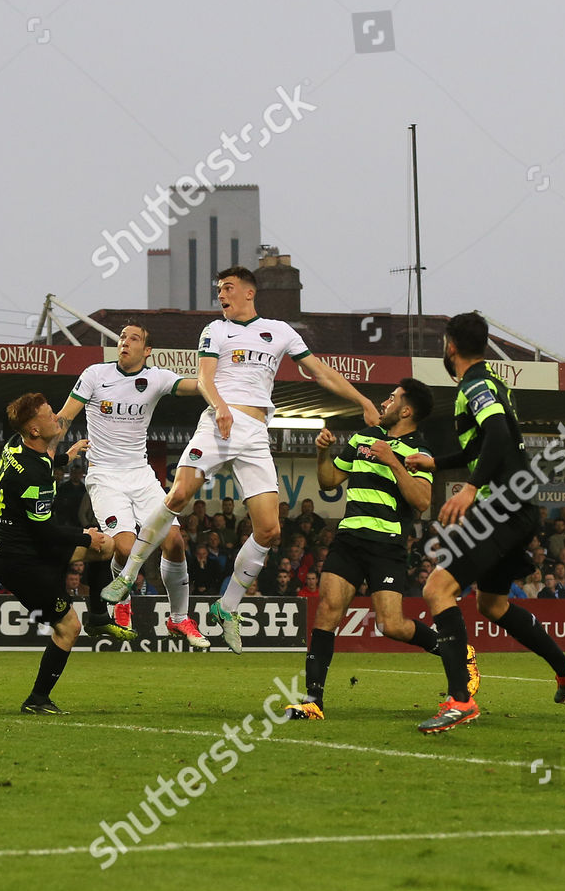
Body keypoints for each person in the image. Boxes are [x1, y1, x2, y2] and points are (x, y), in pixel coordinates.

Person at [103, 266, 381, 652]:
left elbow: (321, 373)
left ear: (249, 292)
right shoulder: (215, 330)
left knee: (270, 530)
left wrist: (364, 401)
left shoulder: (280, 331)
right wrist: (219, 407)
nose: (222, 295)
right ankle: (128, 574)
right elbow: (205, 377)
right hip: (219, 423)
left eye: (228, 288)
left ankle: (227, 606)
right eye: (219, 290)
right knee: (180, 494)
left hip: (254, 432)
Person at [404, 312, 565, 733]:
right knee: (492, 604)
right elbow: (488, 444)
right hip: (515, 508)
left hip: (500, 508)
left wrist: (468, 489)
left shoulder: (476, 386)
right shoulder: (493, 382)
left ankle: (461, 700)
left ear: (450, 346)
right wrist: (438, 462)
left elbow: (501, 438)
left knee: (437, 589)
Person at [283, 381, 462, 719]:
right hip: (349, 538)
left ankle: (454, 650)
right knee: (327, 611)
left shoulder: (417, 450)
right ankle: (312, 701)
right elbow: (329, 481)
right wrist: (322, 452)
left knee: (391, 625)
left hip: (386, 545)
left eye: (392, 399)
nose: (385, 402)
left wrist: (394, 461)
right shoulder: (364, 436)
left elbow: (422, 502)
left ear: (406, 411)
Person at [56, 322, 207, 647]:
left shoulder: (157, 379)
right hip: (105, 476)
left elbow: (198, 385)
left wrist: (228, 382)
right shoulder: (95, 374)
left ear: (147, 350)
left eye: (134, 338)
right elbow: (65, 416)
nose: (125, 342)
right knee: (124, 547)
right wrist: (44, 443)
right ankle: (122, 603)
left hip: (140, 475)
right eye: (122, 337)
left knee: (176, 541)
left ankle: (180, 619)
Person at [0, 393, 113, 714]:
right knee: (69, 627)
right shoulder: (32, 474)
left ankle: (99, 615)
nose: (56, 418)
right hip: (24, 561)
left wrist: (65, 457)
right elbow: (44, 530)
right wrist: (84, 536)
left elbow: (41, 463)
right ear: (33, 430)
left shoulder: (16, 448)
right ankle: (37, 700)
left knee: (107, 548)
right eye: (48, 416)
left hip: (25, 550)